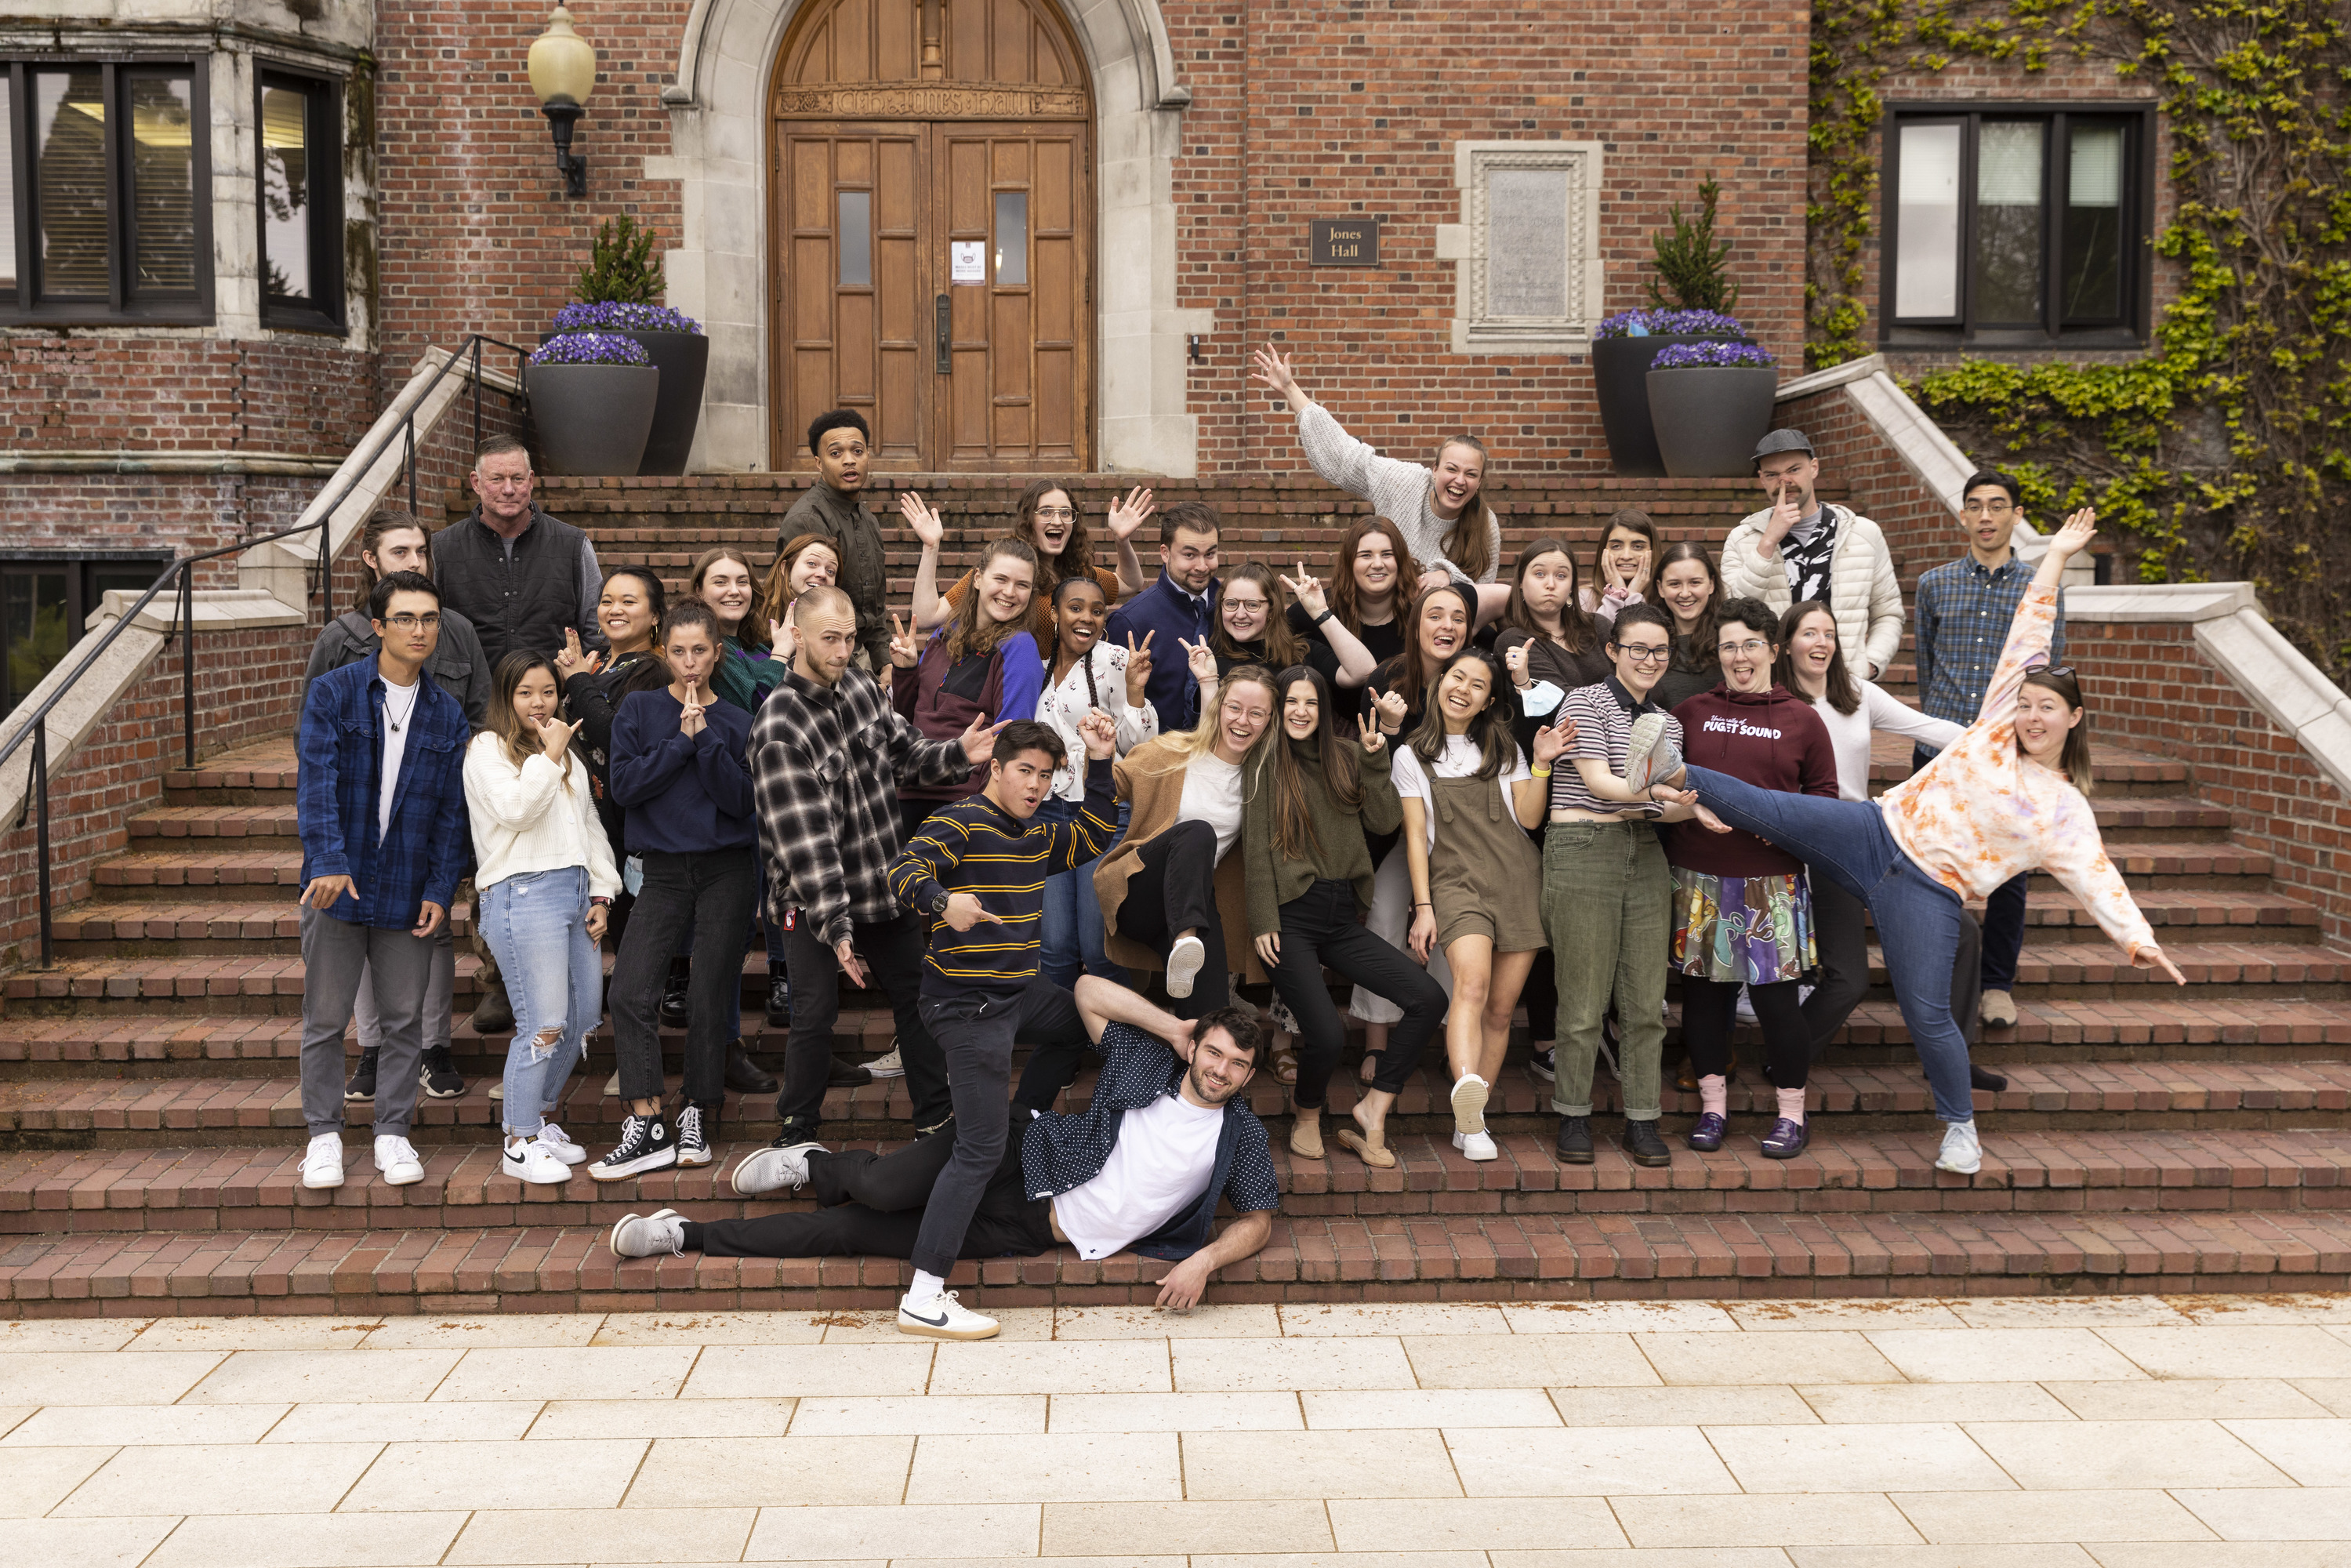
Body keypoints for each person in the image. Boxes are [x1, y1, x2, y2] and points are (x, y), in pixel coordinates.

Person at [1639, 509, 2186, 1176]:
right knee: (1769, 808)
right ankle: (1662, 765)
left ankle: (1959, 1127)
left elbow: (2095, 876)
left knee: (1927, 1014)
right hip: (1873, 829)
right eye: (2028, 704)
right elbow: (2030, 630)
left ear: (2074, 720)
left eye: (2049, 710)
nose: (2033, 718)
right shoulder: (1992, 726)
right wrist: (2054, 558)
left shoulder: (2064, 812)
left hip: (1927, 889)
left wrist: (2136, 937)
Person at [610, 975, 1279, 1335]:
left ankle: (683, 1234)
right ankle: (814, 1164)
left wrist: (1204, 1258)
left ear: (1249, 1076)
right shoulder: (1150, 1061)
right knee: (878, 1189)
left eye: (1236, 1064)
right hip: (1018, 1155)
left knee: (851, 1231)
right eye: (1213, 1051)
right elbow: (1085, 992)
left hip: (1027, 1228)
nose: (1219, 1069)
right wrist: (1172, 1028)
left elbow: (1257, 1220)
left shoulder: (1240, 1134)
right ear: (1199, 1048)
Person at [881, 714, 1119, 1336]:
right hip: (964, 1008)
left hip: (1018, 995)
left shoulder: (1039, 831)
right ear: (996, 768)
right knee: (979, 1150)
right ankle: (923, 1296)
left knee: (1082, 1025)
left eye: (1044, 775)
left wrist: (1098, 761)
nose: (1035, 785)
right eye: (1024, 772)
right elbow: (902, 873)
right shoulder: (957, 821)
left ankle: (1025, 1112)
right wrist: (944, 903)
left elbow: (1093, 833)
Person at [753, 586, 1003, 1150]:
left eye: (848, 638)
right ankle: (797, 1132)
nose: (842, 651)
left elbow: (908, 754)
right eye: (829, 639)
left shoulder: (862, 687)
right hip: (814, 898)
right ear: (796, 637)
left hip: (881, 884)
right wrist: (837, 928)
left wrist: (959, 753)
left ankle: (935, 1121)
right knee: (815, 1015)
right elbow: (806, 846)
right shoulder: (779, 728)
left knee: (919, 999)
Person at [1773, 601, 2001, 1090]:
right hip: (1818, 846)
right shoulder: (1776, 703)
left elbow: (1931, 730)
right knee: (1849, 979)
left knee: (1962, 933)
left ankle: (1950, 1060)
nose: (1821, 643)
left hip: (1873, 835)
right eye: (1809, 633)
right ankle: (1788, 1057)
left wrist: (2001, 748)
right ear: (1787, 644)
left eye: (1829, 633)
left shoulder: (1856, 693)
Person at [291, 571, 470, 1192]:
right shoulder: (335, 693)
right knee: (326, 1017)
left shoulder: (446, 714)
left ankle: (393, 1132)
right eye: (405, 619)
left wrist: (441, 890)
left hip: (406, 886)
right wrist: (328, 861)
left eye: (428, 619)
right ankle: (322, 1136)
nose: (418, 630)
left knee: (402, 1020)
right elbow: (315, 783)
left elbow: (453, 814)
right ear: (378, 626)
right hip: (337, 884)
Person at [302, 511, 484, 1104]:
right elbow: (314, 747)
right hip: (355, 820)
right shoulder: (340, 643)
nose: (413, 559)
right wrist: (326, 845)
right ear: (371, 561)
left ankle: (433, 1049)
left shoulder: (454, 631)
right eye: (399, 550)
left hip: (429, 816)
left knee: (426, 935)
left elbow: (478, 714)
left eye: (420, 551)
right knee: (353, 934)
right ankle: (373, 1051)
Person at [1663, 597, 1839, 1159]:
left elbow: (1826, 800)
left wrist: (1786, 829)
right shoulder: (1690, 712)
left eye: (1749, 645)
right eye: (1728, 647)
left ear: (1772, 648)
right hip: (1701, 881)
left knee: (1776, 1005)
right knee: (1705, 1003)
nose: (1739, 657)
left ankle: (1791, 1114)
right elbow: (1660, 783)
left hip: (1772, 884)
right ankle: (1713, 1108)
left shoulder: (1803, 719)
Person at [1244, 664, 1439, 1167]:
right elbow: (1257, 848)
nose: (1301, 712)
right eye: (1291, 702)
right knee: (1328, 1034)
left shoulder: (1349, 756)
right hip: (1289, 919)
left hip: (1340, 916)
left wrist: (1377, 762)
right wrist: (1264, 916)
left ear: (1324, 709)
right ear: (1277, 709)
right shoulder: (1264, 761)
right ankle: (1307, 1115)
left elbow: (1385, 820)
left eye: (1311, 703)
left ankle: (1373, 1108)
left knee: (1426, 997)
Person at [592, 601, 756, 1181]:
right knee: (630, 991)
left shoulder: (737, 720)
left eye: (700, 651)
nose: (690, 663)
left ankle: (695, 1111)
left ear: (717, 653)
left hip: (726, 871)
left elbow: (741, 802)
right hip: (660, 870)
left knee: (710, 995)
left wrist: (705, 738)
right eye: (679, 651)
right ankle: (646, 1118)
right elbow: (626, 787)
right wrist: (681, 743)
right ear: (664, 651)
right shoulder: (638, 709)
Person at [1543, 603, 1702, 1169]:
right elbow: (1599, 783)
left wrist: (1696, 812)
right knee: (1583, 1002)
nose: (1649, 660)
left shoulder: (1671, 722)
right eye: (1637, 648)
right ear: (1612, 650)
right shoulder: (1582, 701)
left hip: (1645, 855)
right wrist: (1664, 797)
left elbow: (1662, 809)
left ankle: (1642, 1120)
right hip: (1583, 849)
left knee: (1643, 1005)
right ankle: (1573, 1115)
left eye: (1660, 650)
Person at [1396, 649, 1565, 1162]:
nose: (1462, 689)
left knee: (1499, 1010)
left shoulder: (1504, 748)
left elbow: (1531, 821)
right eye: (1456, 677)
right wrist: (1422, 906)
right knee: (1470, 986)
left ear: (1489, 699)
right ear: (1440, 681)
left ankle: (1473, 1118)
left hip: (1516, 882)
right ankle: (1467, 1106)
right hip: (1454, 884)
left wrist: (1539, 763)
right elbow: (1414, 837)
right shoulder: (1410, 756)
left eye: (1476, 685)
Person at [1914, 470, 2066, 1033]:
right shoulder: (1933, 584)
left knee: (2010, 875)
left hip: (2011, 755)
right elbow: (1927, 671)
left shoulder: (2038, 587)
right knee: (1936, 871)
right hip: (1943, 750)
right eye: (1974, 506)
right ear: (1962, 516)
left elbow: (2048, 673)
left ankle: (1996, 986)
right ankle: (1934, 978)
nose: (1984, 516)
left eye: (1996, 506)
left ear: (2015, 516)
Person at [462, 651, 620, 1184]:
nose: (539, 702)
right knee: (544, 1022)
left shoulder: (561, 750)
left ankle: (542, 1119)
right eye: (526, 692)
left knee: (580, 1019)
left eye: (548, 692)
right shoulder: (486, 749)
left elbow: (589, 827)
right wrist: (549, 758)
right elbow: (516, 812)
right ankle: (519, 1138)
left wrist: (602, 894)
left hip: (575, 894)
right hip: (521, 895)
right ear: (507, 697)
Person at [1251, 346, 1507, 617]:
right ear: (1434, 470)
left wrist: (1449, 576)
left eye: (1471, 474)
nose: (1459, 481)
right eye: (1451, 469)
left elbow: (1482, 598)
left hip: (1435, 623)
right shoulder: (1404, 483)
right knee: (1299, 617)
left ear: (1479, 483)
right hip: (1374, 606)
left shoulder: (1485, 525)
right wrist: (1291, 389)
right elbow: (1345, 456)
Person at [1489, 537, 1611, 1087]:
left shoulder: (1599, 634)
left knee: (1594, 917)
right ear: (1521, 581)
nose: (1550, 583)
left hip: (1607, 793)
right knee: (1547, 920)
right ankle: (1544, 1040)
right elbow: (1556, 710)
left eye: (1561, 574)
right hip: (1546, 789)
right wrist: (1532, 687)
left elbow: (1610, 695)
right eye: (1539, 573)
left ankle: (1593, 1026)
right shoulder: (1513, 640)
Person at [1095, 665, 1281, 1019]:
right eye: (1235, 708)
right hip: (1141, 895)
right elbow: (1111, 786)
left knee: (1209, 1013)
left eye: (1257, 713)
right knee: (1198, 831)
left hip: (1195, 900)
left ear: (1270, 722)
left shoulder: (1261, 783)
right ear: (1219, 707)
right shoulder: (1173, 751)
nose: (1243, 720)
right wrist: (1100, 755)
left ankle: (1186, 1072)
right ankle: (1184, 939)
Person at [1347, 583, 1476, 1073]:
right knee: (1382, 916)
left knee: (1455, 925)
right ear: (1416, 625)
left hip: (1456, 836)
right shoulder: (1387, 681)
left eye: (1458, 618)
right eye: (1436, 615)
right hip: (1393, 834)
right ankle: (1377, 1039)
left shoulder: (1476, 679)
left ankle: (1450, 1038)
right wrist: (1392, 729)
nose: (1447, 626)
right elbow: (1369, 765)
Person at [1034, 575, 1159, 987]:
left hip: (1101, 812)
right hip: (1048, 813)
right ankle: (1065, 1043)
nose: (1087, 618)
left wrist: (1136, 694)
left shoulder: (1117, 660)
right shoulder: (1038, 666)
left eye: (1097, 610)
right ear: (1054, 612)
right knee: (1054, 948)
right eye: (1075, 608)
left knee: (1097, 947)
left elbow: (1139, 747)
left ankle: (1118, 1044)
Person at [748, 533, 848, 1036]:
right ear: (787, 565)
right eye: (813, 562)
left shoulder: (837, 631)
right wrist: (778, 654)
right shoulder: (753, 629)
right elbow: (752, 707)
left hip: (824, 785)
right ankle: (782, 975)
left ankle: (798, 978)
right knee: (782, 870)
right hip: (766, 780)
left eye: (831, 568)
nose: (822, 572)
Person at [891, 538, 1047, 844]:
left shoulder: (1019, 647)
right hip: (909, 790)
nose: (1009, 592)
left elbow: (1010, 738)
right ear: (977, 579)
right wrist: (906, 670)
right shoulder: (942, 635)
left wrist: (983, 815)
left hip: (960, 805)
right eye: (1000, 579)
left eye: (1022, 585)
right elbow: (906, 720)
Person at [1719, 428, 1903, 681]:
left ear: (1814, 468)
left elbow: (1888, 613)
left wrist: (1869, 665)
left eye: (1794, 470)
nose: (1784, 481)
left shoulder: (1863, 534)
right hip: (1772, 687)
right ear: (1762, 479)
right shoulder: (1742, 540)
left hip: (1843, 686)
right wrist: (1768, 541)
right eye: (1773, 474)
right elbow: (1732, 615)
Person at [434, 436, 604, 673]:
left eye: (517, 478)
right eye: (496, 479)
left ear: (531, 480)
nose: (508, 490)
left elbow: (596, 630)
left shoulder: (573, 546)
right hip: (469, 703)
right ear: (476, 482)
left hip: (555, 700)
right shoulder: (442, 548)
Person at [905, 480, 1155, 642]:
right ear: (1029, 519)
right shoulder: (1006, 568)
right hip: (1018, 685)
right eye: (1045, 512)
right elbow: (927, 616)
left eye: (1065, 513)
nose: (1057, 521)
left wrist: (1121, 540)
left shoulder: (1077, 571)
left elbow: (1130, 583)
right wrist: (931, 547)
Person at [776, 409, 892, 671]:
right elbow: (813, 616)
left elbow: (875, 610)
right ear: (819, 462)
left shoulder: (868, 522)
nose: (849, 461)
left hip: (861, 659)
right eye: (836, 453)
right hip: (823, 661)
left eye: (858, 451)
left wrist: (885, 665)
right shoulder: (807, 519)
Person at [1104, 500, 1224, 733]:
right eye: (1190, 554)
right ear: (1165, 553)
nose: (1202, 566)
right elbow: (1114, 710)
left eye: (1210, 554)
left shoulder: (1234, 613)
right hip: (1157, 760)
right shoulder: (1131, 621)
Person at [1288, 516, 1416, 720]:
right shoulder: (1309, 612)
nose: (1377, 564)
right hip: (1331, 742)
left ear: (1400, 561)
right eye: (1366, 555)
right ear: (1350, 562)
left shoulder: (1422, 614)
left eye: (1387, 554)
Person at [1211, 560, 1377, 692]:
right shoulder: (1212, 660)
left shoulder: (1302, 652)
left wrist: (1320, 612)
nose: (1240, 614)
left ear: (1271, 609)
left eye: (1252, 605)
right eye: (1231, 604)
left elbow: (1364, 672)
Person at [688, 545, 785, 718]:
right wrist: (781, 654)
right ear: (699, 591)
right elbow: (762, 712)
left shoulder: (757, 648)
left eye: (742, 582)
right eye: (720, 582)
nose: (734, 591)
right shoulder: (706, 653)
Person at [1647, 541, 1726, 711]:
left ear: (1711, 584)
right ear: (1660, 588)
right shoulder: (1649, 646)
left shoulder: (1730, 642)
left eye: (1695, 582)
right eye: (1674, 584)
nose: (1684, 593)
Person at [1582, 508, 1659, 629]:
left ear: (1652, 551)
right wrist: (1616, 596)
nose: (1626, 556)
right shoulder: (1583, 598)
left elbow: (1641, 643)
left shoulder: (1666, 597)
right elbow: (1595, 644)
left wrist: (1633, 596)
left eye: (1638, 546)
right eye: (1616, 546)